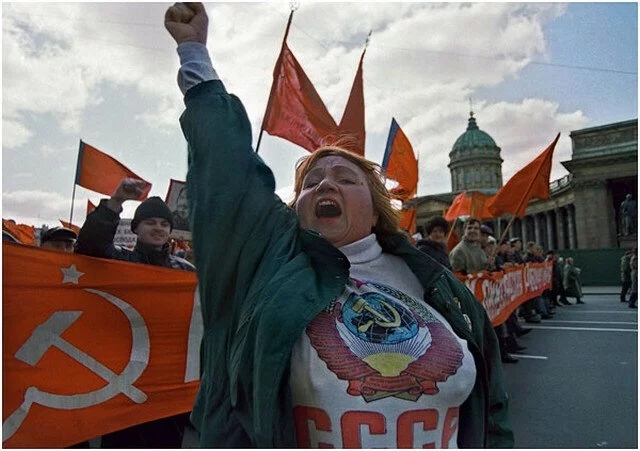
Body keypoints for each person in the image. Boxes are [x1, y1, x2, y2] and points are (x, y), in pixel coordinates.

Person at [164, 3, 513, 448]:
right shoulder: (264, 270)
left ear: (375, 208)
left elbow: (493, 412)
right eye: (311, 182)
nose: (325, 184)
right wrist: (194, 51)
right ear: (298, 207)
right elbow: (225, 168)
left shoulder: (441, 286)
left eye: (345, 178)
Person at [75, 178, 194, 448]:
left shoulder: (186, 272)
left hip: (167, 380)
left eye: (164, 224)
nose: (158, 228)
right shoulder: (118, 261)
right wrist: (115, 202)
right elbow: (89, 247)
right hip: (123, 374)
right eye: (151, 222)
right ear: (136, 227)